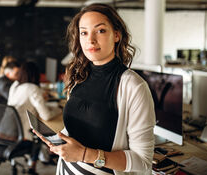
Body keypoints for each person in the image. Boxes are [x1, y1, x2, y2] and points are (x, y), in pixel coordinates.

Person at [33, 3, 156, 175]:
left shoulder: (134, 86)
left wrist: (84, 154)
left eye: (100, 30)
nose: (90, 40)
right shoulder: (78, 76)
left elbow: (142, 162)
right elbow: (79, 131)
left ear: (117, 35)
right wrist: (58, 139)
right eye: (84, 32)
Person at [7, 61, 62, 174]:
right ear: (35, 75)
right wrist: (59, 109)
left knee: (39, 126)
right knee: (42, 131)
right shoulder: (33, 88)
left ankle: (43, 157)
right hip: (22, 135)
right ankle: (35, 164)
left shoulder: (15, 86)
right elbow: (46, 116)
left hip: (7, 130)